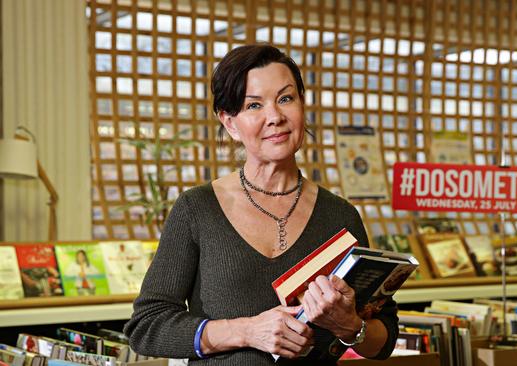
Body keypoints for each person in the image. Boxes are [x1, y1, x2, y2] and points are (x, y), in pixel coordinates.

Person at [124, 44, 398, 365]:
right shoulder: (197, 209)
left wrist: (349, 326)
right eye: (254, 105)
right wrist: (247, 330)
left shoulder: (341, 216)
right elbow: (146, 326)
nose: (275, 117)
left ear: (302, 104)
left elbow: (385, 339)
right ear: (230, 123)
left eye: (286, 98)